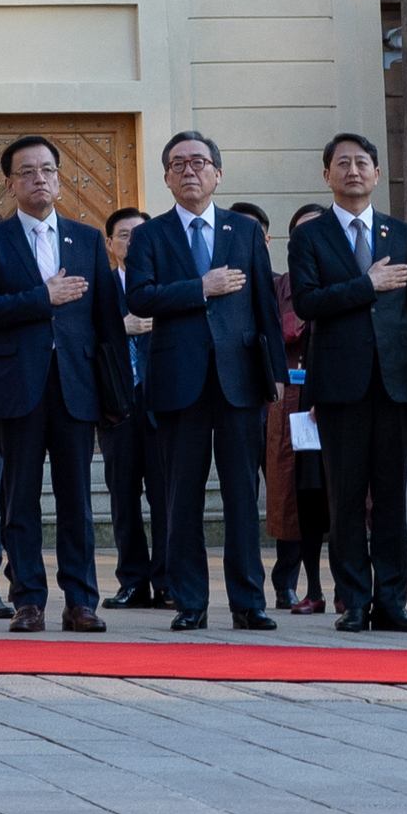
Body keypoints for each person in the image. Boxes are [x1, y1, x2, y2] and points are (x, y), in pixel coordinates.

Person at [121, 132, 284, 631]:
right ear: (166, 177)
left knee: (242, 494)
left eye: (199, 162)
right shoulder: (150, 235)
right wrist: (199, 288)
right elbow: (140, 299)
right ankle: (189, 600)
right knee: (181, 496)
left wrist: (275, 373)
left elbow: (265, 309)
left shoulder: (244, 231)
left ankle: (247, 601)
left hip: (238, 380)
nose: (189, 171)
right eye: (178, 164)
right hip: (178, 379)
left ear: (217, 173)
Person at [0, 136, 111, 635]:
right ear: (9, 185)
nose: (39, 179)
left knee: (77, 500)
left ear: (58, 178)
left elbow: (106, 321)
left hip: (75, 384)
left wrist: (114, 391)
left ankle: (81, 602)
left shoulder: (87, 239)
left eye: (48, 170)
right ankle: (27, 599)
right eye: (27, 172)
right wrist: (41, 297)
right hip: (16, 384)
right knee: (19, 498)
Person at [286, 133, 407, 633]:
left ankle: (392, 601)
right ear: (326, 174)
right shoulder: (310, 236)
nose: (353, 171)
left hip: (394, 387)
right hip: (339, 385)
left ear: (375, 173)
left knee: (391, 498)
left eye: (362, 163)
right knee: (345, 498)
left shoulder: (401, 233)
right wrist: (365, 285)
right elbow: (306, 303)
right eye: (342, 163)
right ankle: (354, 600)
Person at [260, 203, 328, 616]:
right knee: (294, 494)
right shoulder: (280, 285)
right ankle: (297, 584)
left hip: (336, 400)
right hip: (289, 404)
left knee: (339, 495)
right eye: (302, 232)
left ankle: (344, 586)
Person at [97, 202, 162, 607]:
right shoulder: (99, 286)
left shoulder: (164, 281)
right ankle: (133, 581)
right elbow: (81, 335)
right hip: (116, 401)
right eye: (124, 235)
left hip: (161, 399)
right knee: (123, 495)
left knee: (166, 494)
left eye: (139, 235)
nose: (132, 242)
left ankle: (169, 580)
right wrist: (119, 328)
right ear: (109, 243)